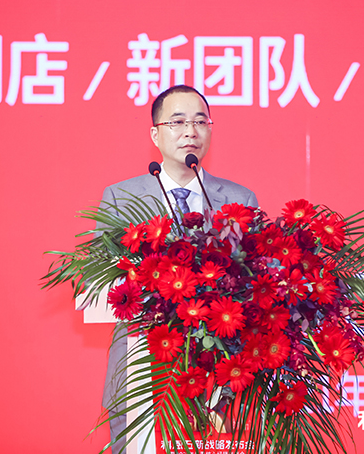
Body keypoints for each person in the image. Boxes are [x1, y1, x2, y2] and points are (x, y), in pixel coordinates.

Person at [98, 85, 258, 454]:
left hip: (220, 371)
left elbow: (254, 279)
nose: (191, 131)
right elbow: (97, 279)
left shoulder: (239, 199)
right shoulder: (121, 198)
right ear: (155, 134)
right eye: (178, 122)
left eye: (201, 122)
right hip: (141, 372)